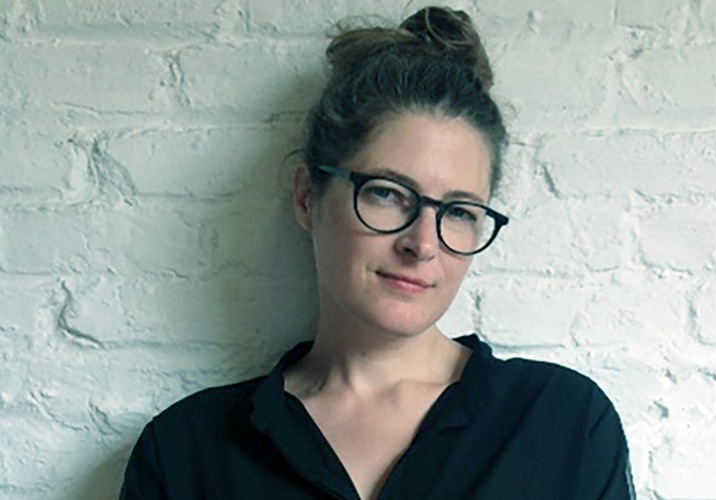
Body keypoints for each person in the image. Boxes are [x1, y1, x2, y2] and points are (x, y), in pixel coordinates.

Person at [120, 6, 635, 499]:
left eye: (458, 211)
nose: (423, 244)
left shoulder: (563, 424)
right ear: (307, 197)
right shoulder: (187, 451)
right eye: (387, 194)